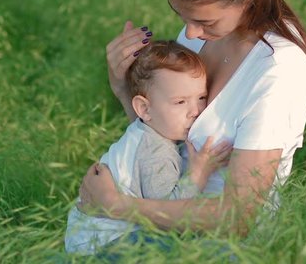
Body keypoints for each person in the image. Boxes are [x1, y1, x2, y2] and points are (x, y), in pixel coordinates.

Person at [78, 0, 306, 242]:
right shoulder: (202, 39)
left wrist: (118, 205)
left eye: (205, 22)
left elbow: (238, 217)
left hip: (219, 247)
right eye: (182, 17)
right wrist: (124, 90)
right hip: (163, 224)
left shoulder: (278, 70)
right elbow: (161, 140)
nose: (190, 34)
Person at [65, 41, 233, 255]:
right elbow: (168, 215)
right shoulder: (156, 152)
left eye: (201, 97)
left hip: (87, 237)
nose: (196, 111)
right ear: (144, 108)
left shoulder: (145, 132)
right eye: (180, 102)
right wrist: (199, 173)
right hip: (107, 244)